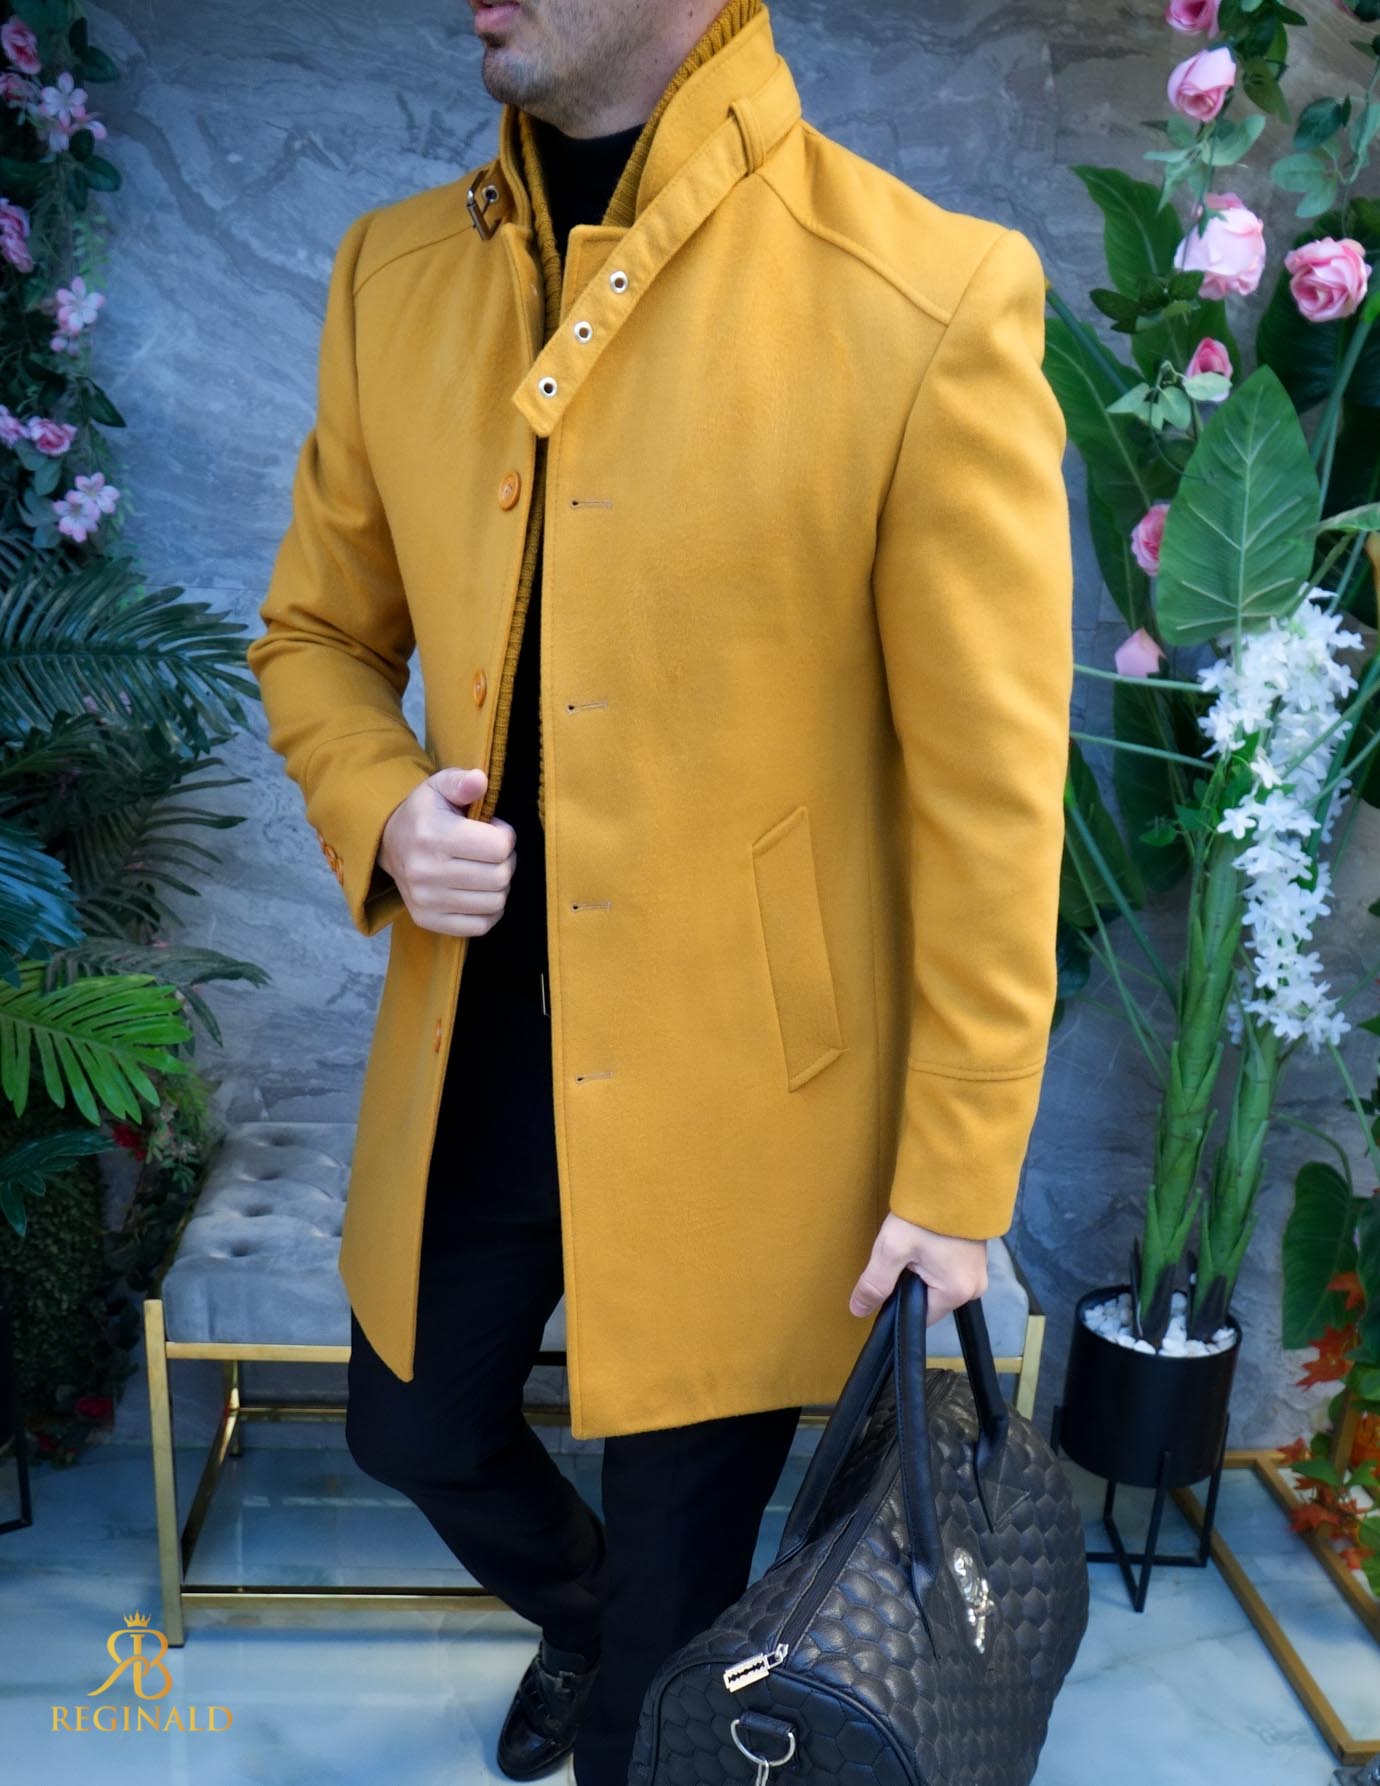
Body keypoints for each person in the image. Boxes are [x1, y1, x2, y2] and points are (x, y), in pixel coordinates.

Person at [245, 0, 1074, 1780]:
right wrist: (382, 809)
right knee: (410, 1430)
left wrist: (958, 1177)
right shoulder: (394, 276)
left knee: (660, 1690)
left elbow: (994, 803)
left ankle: (637, 1668)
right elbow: (314, 635)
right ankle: (588, 1608)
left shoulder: (927, 295)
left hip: (744, 1097)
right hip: (474, 1045)